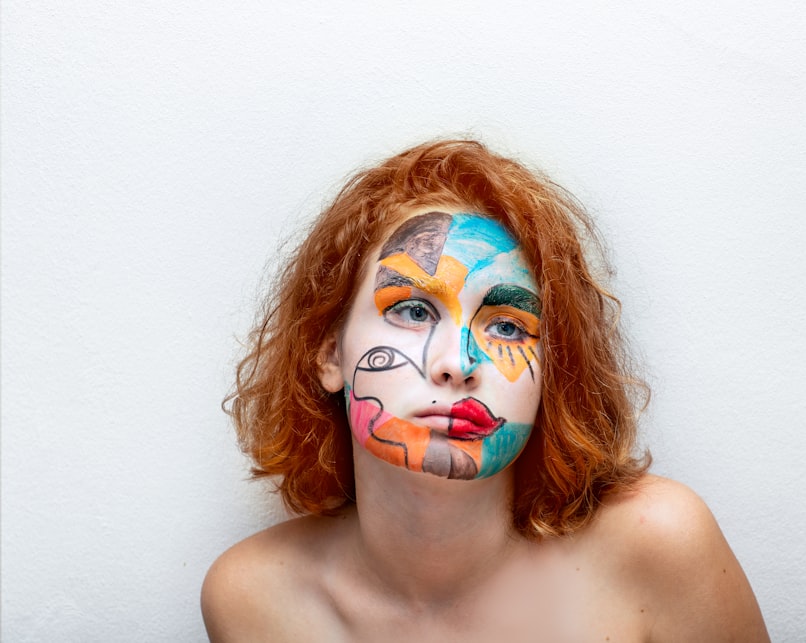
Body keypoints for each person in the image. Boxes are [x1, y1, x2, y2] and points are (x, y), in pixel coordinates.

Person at [201, 139, 770, 642]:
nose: (456, 364)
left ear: (556, 369)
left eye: (506, 325)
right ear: (329, 352)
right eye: (412, 309)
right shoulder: (249, 599)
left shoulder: (660, 546)